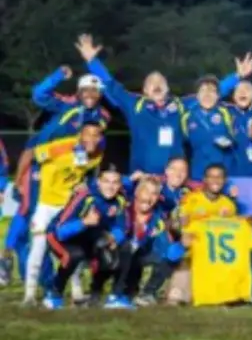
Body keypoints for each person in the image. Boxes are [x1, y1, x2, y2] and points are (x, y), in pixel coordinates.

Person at [77, 34, 252, 173]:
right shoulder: (134, 105)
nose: (156, 85)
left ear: (168, 88)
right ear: (144, 90)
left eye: (161, 82)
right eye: (151, 83)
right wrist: (93, 62)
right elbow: (111, 85)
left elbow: (210, 93)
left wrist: (237, 77)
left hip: (174, 177)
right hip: (143, 177)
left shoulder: (179, 105)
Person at [22, 123, 105, 306]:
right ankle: (29, 295)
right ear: (80, 135)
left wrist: (83, 185)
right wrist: (23, 180)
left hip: (69, 207)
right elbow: (31, 155)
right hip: (47, 205)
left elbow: (85, 172)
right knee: (38, 248)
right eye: (88, 134)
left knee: (72, 248)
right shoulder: (61, 147)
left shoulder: (98, 153)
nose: (92, 139)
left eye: (96, 135)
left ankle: (76, 292)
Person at [43, 166, 128, 309]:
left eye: (115, 182)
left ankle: (104, 295)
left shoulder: (119, 200)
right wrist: (83, 222)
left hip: (87, 238)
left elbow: (120, 227)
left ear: (120, 185)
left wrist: (114, 238)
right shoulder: (84, 197)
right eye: (106, 181)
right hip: (58, 237)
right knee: (73, 255)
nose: (111, 186)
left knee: (121, 248)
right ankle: (54, 294)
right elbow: (60, 230)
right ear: (98, 182)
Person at [117, 179, 182, 306]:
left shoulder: (158, 219)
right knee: (125, 249)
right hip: (119, 254)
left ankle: (148, 293)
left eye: (154, 194)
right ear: (137, 192)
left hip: (142, 254)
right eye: (146, 191)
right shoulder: (123, 209)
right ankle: (116, 291)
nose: (149, 197)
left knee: (172, 253)